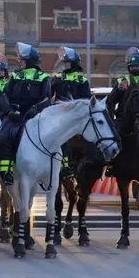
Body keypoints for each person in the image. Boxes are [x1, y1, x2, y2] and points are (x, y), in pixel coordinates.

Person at [0, 42, 52, 185]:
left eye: (22, 60)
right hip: (15, 116)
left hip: (35, 117)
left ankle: (59, 169)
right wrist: (9, 111)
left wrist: (35, 109)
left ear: (29, 61)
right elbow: (4, 95)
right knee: (2, 136)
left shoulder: (43, 77)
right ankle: (6, 171)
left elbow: (46, 99)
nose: (19, 62)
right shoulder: (15, 76)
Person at [50, 46, 91, 179]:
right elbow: (49, 96)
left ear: (74, 64)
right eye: (64, 63)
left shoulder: (82, 80)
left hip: (77, 118)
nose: (65, 65)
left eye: (67, 63)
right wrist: (51, 84)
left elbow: (86, 100)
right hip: (59, 117)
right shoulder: (57, 78)